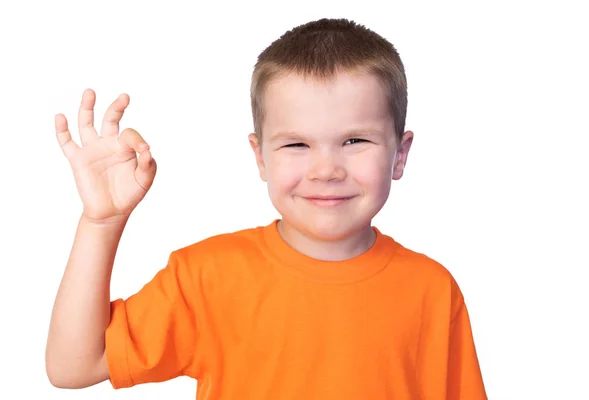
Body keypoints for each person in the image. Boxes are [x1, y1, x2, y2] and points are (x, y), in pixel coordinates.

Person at [45, 17, 487, 399]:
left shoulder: (433, 289)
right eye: (297, 143)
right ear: (260, 157)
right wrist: (101, 223)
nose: (326, 169)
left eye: (355, 141)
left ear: (400, 154)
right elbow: (73, 367)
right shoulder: (208, 277)